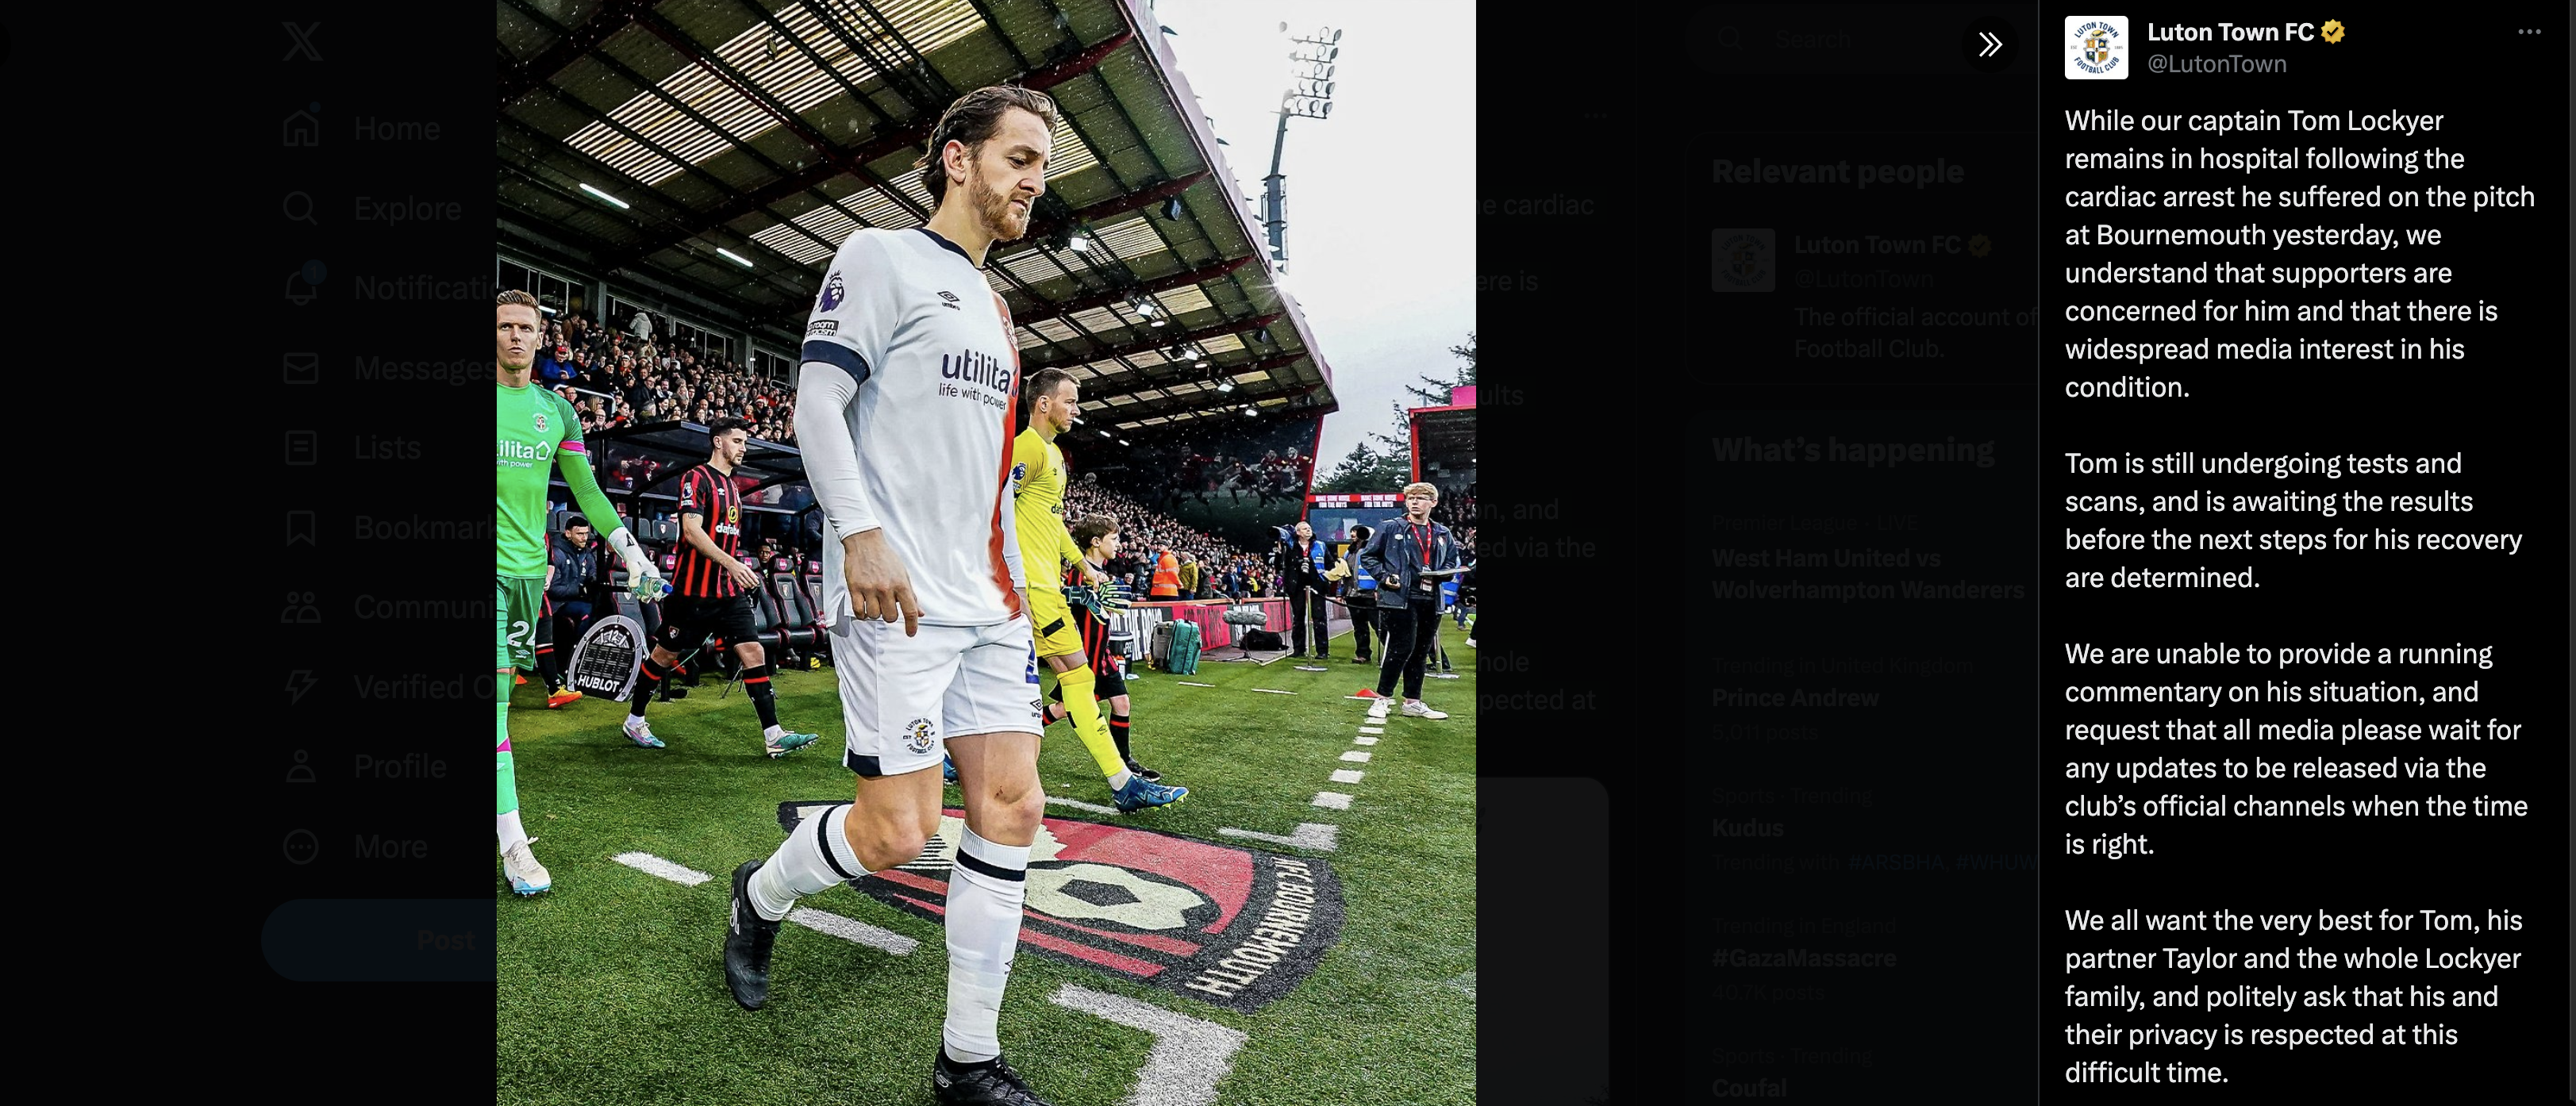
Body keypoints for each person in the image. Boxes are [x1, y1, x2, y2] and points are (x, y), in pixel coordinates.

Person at [722, 84, 1069, 1106]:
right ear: (957, 159)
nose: (1033, 185)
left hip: (990, 602)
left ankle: (967, 1060)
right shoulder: (879, 256)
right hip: (897, 597)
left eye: (1041, 168)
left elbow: (989, 477)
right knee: (897, 833)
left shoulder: (1001, 312)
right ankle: (761, 891)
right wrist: (860, 535)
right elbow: (817, 398)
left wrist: (1030, 605)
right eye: (1019, 159)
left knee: (1011, 809)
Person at [495, 289, 667, 895]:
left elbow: (589, 494)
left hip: (525, 576)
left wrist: (633, 552)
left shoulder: (557, 412)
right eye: (506, 326)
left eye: (526, 327)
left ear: (541, 338)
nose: (516, 336)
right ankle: (514, 845)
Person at [1013, 367, 1185, 812]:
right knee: (1074, 677)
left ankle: (1121, 780)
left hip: (1045, 584)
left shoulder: (1052, 455)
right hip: (1031, 587)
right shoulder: (1028, 448)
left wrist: (1084, 569)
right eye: (1069, 401)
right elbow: (995, 511)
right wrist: (1015, 582)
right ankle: (1122, 781)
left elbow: (1051, 522)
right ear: (1044, 403)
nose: (1076, 409)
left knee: (1071, 679)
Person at [621, 417, 821, 758]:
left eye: (745, 442)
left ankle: (773, 734)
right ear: (718, 442)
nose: (744, 448)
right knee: (665, 656)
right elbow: (691, 532)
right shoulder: (696, 478)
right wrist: (733, 563)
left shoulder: (734, 490)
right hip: (692, 593)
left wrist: (740, 571)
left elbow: (725, 541)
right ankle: (635, 719)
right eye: (739, 441)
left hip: (728, 593)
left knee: (754, 653)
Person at [1040, 514, 1169, 782]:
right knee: (1065, 709)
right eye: (1114, 539)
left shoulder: (1101, 574)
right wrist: (1086, 597)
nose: (1119, 544)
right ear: (1096, 542)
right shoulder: (1080, 572)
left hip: (1102, 655)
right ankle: (1020, 732)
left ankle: (1125, 761)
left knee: (1121, 703)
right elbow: (1065, 604)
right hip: (1083, 657)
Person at [1358, 482, 1463, 720]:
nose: (1415, 502)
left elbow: (1452, 562)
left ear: (1433, 503)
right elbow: (1369, 557)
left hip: (1431, 597)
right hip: (1399, 598)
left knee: (1421, 651)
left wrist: (1443, 573)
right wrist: (1385, 578)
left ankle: (1412, 702)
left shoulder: (1442, 533)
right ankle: (1382, 698)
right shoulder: (1390, 527)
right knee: (1401, 647)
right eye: (1411, 498)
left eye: (1422, 498)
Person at [545, 516, 602, 706]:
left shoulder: (587, 553)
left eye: (586, 533)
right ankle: (574, 661)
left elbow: (593, 575)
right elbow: (553, 588)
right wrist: (579, 590)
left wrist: (592, 585)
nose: (584, 537)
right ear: (568, 533)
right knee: (588, 613)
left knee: (598, 610)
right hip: (558, 604)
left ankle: (585, 661)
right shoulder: (558, 552)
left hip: (579, 600)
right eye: (579, 533)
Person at [1275, 520, 1332, 659]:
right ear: (1298, 532)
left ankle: (1322, 651)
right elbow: (1279, 566)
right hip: (1297, 586)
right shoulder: (1290, 546)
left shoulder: (1321, 545)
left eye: (1309, 528)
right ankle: (1298, 649)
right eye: (1305, 529)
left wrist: (1328, 577)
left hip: (1317, 585)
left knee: (1319, 618)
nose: (1308, 531)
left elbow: (1330, 563)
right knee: (1298, 619)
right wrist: (1279, 551)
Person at [1330, 524, 1380, 666]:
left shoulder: (1374, 550)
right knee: (1359, 627)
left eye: (1356, 532)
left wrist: (1377, 589)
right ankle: (1363, 654)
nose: (1353, 534)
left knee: (1379, 626)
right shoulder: (1348, 552)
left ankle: (1392, 654)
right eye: (1352, 531)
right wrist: (1340, 592)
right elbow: (1343, 574)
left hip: (1370, 595)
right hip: (1353, 595)